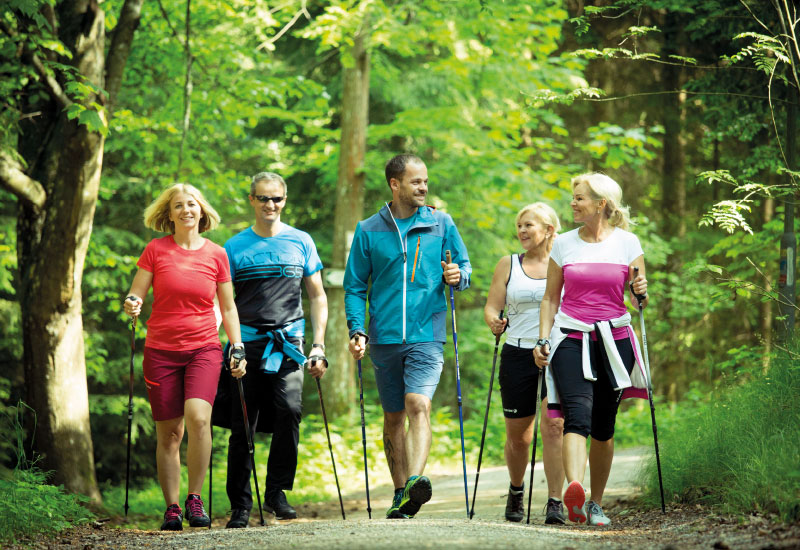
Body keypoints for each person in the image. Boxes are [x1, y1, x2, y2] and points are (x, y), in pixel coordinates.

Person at [344, 153, 472, 520]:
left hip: (426, 333)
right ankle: (401, 493)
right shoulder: (368, 229)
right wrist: (357, 329)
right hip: (383, 337)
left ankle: (416, 481)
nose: (424, 187)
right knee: (393, 415)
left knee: (419, 403)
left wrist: (457, 276)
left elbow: (464, 269)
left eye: (425, 181)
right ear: (395, 184)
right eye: (416, 182)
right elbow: (354, 286)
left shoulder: (441, 223)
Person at [123, 183, 247, 531]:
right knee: (170, 434)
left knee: (197, 418)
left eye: (191, 204)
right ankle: (172, 507)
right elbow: (136, 293)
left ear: (202, 210)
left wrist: (236, 346)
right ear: (170, 214)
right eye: (178, 206)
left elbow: (228, 306)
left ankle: (195, 498)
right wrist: (133, 303)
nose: (186, 210)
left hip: (203, 348)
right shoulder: (156, 250)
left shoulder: (216, 254)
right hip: (161, 351)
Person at [534, 173, 649, 527]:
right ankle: (575, 489)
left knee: (603, 425)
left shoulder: (629, 243)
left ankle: (596, 503)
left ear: (601, 204)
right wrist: (542, 339)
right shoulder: (564, 244)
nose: (573, 203)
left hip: (615, 340)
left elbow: (637, 298)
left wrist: (641, 291)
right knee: (577, 416)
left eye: (580, 198)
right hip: (571, 337)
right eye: (573, 197)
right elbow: (551, 298)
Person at [221, 172, 328, 529]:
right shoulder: (233, 248)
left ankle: (277, 493)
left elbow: (317, 296)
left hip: (290, 346)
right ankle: (240, 505)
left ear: (284, 200)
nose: (271, 205)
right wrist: (231, 346)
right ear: (251, 200)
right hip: (245, 345)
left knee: (290, 411)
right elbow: (223, 303)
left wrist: (318, 345)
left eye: (277, 199)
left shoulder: (301, 241)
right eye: (264, 198)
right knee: (243, 426)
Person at [483, 202, 566, 524]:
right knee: (520, 436)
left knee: (555, 426)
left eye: (528, 225)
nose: (521, 231)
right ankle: (517, 490)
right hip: (517, 353)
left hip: (556, 353)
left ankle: (555, 501)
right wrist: (494, 321)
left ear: (548, 230)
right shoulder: (508, 264)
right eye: (519, 226)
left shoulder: (564, 264)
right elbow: (492, 307)